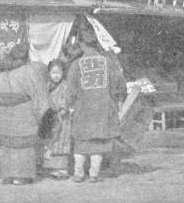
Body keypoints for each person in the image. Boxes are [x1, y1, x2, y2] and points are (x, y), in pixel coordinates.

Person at [66, 20, 127, 183]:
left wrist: (68, 105)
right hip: (103, 108)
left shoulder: (75, 64)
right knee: (98, 143)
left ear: (82, 44)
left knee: (81, 142)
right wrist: (115, 98)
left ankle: (78, 174)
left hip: (83, 109)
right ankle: (94, 175)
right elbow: (119, 84)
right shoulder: (109, 62)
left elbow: (70, 90)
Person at [0, 44, 49, 185]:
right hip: (24, 115)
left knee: (8, 146)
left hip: (4, 117)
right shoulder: (29, 72)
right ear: (25, 58)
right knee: (24, 146)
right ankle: (22, 176)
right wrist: (42, 117)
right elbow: (40, 97)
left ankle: (8, 174)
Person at [43, 59, 72, 179]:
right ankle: (51, 168)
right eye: (53, 72)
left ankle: (62, 170)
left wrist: (63, 110)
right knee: (50, 142)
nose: (56, 75)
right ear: (49, 73)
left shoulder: (65, 86)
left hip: (62, 119)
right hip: (50, 118)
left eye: (58, 73)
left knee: (61, 142)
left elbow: (67, 101)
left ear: (63, 73)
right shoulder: (47, 86)